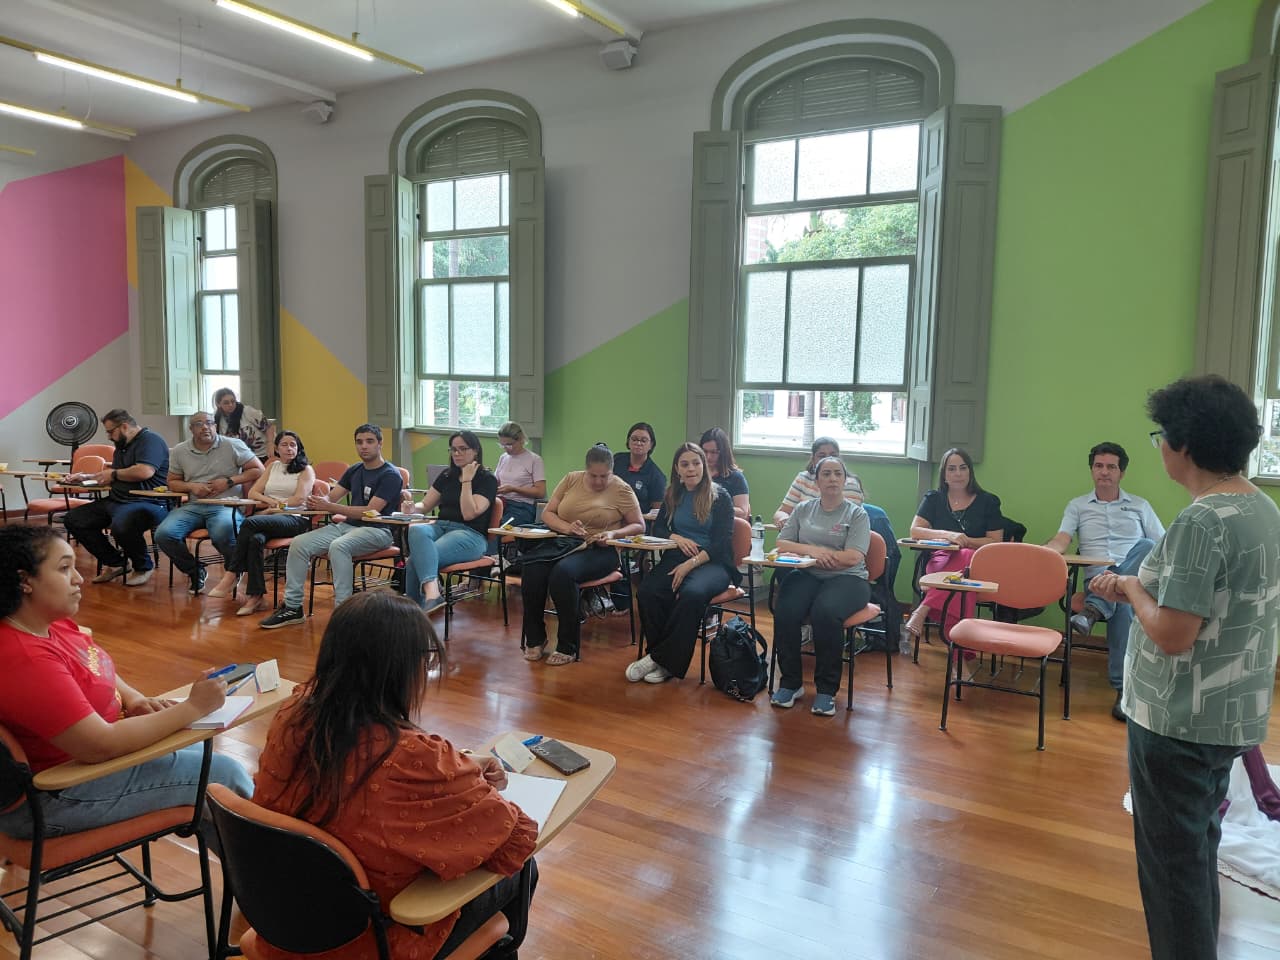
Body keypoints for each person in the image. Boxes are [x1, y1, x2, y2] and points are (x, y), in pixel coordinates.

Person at [1088, 375, 1280, 960]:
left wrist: (1128, 585)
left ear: (1185, 445)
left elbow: (1173, 634)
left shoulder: (1202, 521)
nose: (1161, 448)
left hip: (1178, 720)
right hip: (1231, 713)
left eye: (1161, 437)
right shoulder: (1261, 507)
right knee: (1196, 852)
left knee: (1172, 875)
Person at [253, 591, 537, 960]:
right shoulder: (411, 756)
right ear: (402, 669)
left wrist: (457, 770)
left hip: (289, 924)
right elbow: (514, 838)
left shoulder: (292, 715)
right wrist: (459, 777)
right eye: (427, 660)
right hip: (374, 942)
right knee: (523, 871)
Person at [0, 526, 252, 840]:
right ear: (24, 581)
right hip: (56, 796)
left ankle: (252, 865)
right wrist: (193, 708)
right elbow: (99, 745)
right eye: (64, 569)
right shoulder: (23, 657)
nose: (79, 579)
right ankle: (270, 864)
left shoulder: (51, 623)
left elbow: (93, 665)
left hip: (87, 768)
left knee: (205, 765)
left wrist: (133, 699)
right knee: (221, 775)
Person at [1044, 441, 1165, 721]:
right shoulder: (1077, 506)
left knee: (1146, 545)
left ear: (1122, 472)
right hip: (1097, 580)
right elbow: (1063, 538)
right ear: (1092, 470)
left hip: (1135, 580)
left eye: (1111, 467)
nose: (1104, 472)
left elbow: (1163, 546)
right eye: (1099, 466)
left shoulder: (1140, 505)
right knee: (1122, 606)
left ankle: (1093, 611)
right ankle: (1124, 691)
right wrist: (1047, 551)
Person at [259, 424, 403, 629]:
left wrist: (330, 506)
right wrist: (318, 501)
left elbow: (371, 511)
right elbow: (332, 497)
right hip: (347, 526)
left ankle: (343, 613)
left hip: (379, 530)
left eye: (369, 441)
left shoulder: (390, 474)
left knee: (339, 546)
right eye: (359, 442)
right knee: (299, 543)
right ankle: (292, 607)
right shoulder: (355, 469)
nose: (364, 446)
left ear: (380, 444)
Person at [521, 445, 644, 666]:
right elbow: (548, 513)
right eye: (593, 475)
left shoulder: (621, 489)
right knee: (532, 568)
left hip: (602, 549)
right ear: (586, 469)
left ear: (612, 471)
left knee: (563, 573)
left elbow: (638, 525)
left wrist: (613, 533)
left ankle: (567, 645)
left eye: (604, 476)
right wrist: (568, 528)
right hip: (566, 543)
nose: (598, 481)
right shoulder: (571, 479)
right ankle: (535, 638)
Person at [768, 457, 871, 716]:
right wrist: (815, 552)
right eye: (826, 474)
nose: (832, 479)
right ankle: (790, 684)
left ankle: (826, 690)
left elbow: (853, 556)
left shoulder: (857, 514)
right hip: (808, 573)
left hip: (849, 579)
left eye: (837, 474)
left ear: (845, 480)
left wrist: (827, 557)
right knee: (786, 610)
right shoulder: (803, 509)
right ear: (816, 481)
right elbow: (782, 543)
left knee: (825, 613)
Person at [626, 442, 737, 685]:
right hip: (677, 556)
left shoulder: (720, 496)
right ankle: (661, 659)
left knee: (692, 594)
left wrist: (691, 564)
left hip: (713, 563)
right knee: (647, 592)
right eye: (685, 464)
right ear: (677, 469)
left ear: (704, 465)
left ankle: (661, 659)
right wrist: (676, 537)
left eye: (696, 463)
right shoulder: (673, 494)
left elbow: (721, 543)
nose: (691, 469)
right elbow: (660, 528)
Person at [154, 412, 265, 595]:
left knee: (222, 532)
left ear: (215, 426)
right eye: (199, 424)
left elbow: (258, 470)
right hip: (194, 506)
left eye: (209, 423)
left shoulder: (232, 445)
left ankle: (233, 569)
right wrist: (191, 486)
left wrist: (229, 481)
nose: (205, 427)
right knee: (163, 534)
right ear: (191, 429)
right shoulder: (180, 450)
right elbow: (172, 482)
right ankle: (195, 570)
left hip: (225, 505)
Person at [903, 448, 1004, 641]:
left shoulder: (988, 501)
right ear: (944, 474)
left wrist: (966, 540)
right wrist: (948, 535)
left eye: (963, 468)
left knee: (966, 556)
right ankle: (960, 652)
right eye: (952, 469)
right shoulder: (934, 498)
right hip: (940, 560)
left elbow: (995, 541)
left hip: (976, 564)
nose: (958, 473)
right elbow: (915, 531)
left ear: (970, 471)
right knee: (963, 589)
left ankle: (924, 608)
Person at [63, 408, 170, 588]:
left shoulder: (151, 441)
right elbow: (115, 473)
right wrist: (87, 477)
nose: (109, 436)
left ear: (125, 426)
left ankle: (143, 567)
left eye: (111, 431)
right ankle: (116, 563)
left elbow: (144, 471)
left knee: (121, 525)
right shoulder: (122, 446)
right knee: (74, 519)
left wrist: (113, 474)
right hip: (118, 500)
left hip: (148, 502)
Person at [214, 431, 316, 617]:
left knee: (249, 522)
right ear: (276, 448)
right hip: (270, 518)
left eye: (293, 445)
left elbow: (298, 499)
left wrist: (273, 508)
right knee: (255, 540)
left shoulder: (305, 469)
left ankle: (233, 572)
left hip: (295, 519)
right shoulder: (273, 467)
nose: (289, 448)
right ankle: (257, 597)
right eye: (284, 444)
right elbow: (253, 492)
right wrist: (271, 505)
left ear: (298, 448)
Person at [402, 431, 497, 615]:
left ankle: (413, 611)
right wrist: (412, 507)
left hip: (470, 535)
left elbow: (469, 514)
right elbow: (426, 505)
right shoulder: (447, 475)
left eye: (463, 449)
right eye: (453, 449)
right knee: (416, 530)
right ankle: (431, 596)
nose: (457, 454)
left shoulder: (487, 479)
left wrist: (467, 480)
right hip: (441, 527)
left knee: (415, 560)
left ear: (475, 451)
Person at [770, 436, 865, 527]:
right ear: (813, 459)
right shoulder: (803, 478)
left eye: (833, 455)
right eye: (822, 456)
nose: (828, 459)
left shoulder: (851, 484)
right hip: (802, 535)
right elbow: (782, 511)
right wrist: (784, 519)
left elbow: (855, 523)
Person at [493, 421, 545, 527]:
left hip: (521, 506)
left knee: (501, 527)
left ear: (521, 440)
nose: (506, 448)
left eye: (509, 444)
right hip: (500, 502)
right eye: (502, 445)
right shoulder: (503, 457)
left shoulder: (534, 460)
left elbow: (540, 492)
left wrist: (513, 489)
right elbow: (496, 480)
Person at [613, 422, 667, 511]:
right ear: (628, 441)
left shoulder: (656, 476)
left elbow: (657, 512)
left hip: (639, 518)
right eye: (634, 439)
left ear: (651, 445)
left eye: (643, 440)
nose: (638, 443)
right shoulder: (616, 460)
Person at [699, 427, 750, 520]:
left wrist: (711, 508)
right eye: (704, 451)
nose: (708, 457)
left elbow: (743, 512)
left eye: (714, 452)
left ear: (723, 453)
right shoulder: (696, 474)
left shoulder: (736, 477)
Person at [212, 387, 274, 460]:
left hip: (262, 454)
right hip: (240, 458)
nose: (231, 405)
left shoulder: (247, 411)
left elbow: (269, 427)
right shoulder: (217, 418)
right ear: (218, 404)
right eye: (226, 403)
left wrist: (270, 443)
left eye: (233, 401)